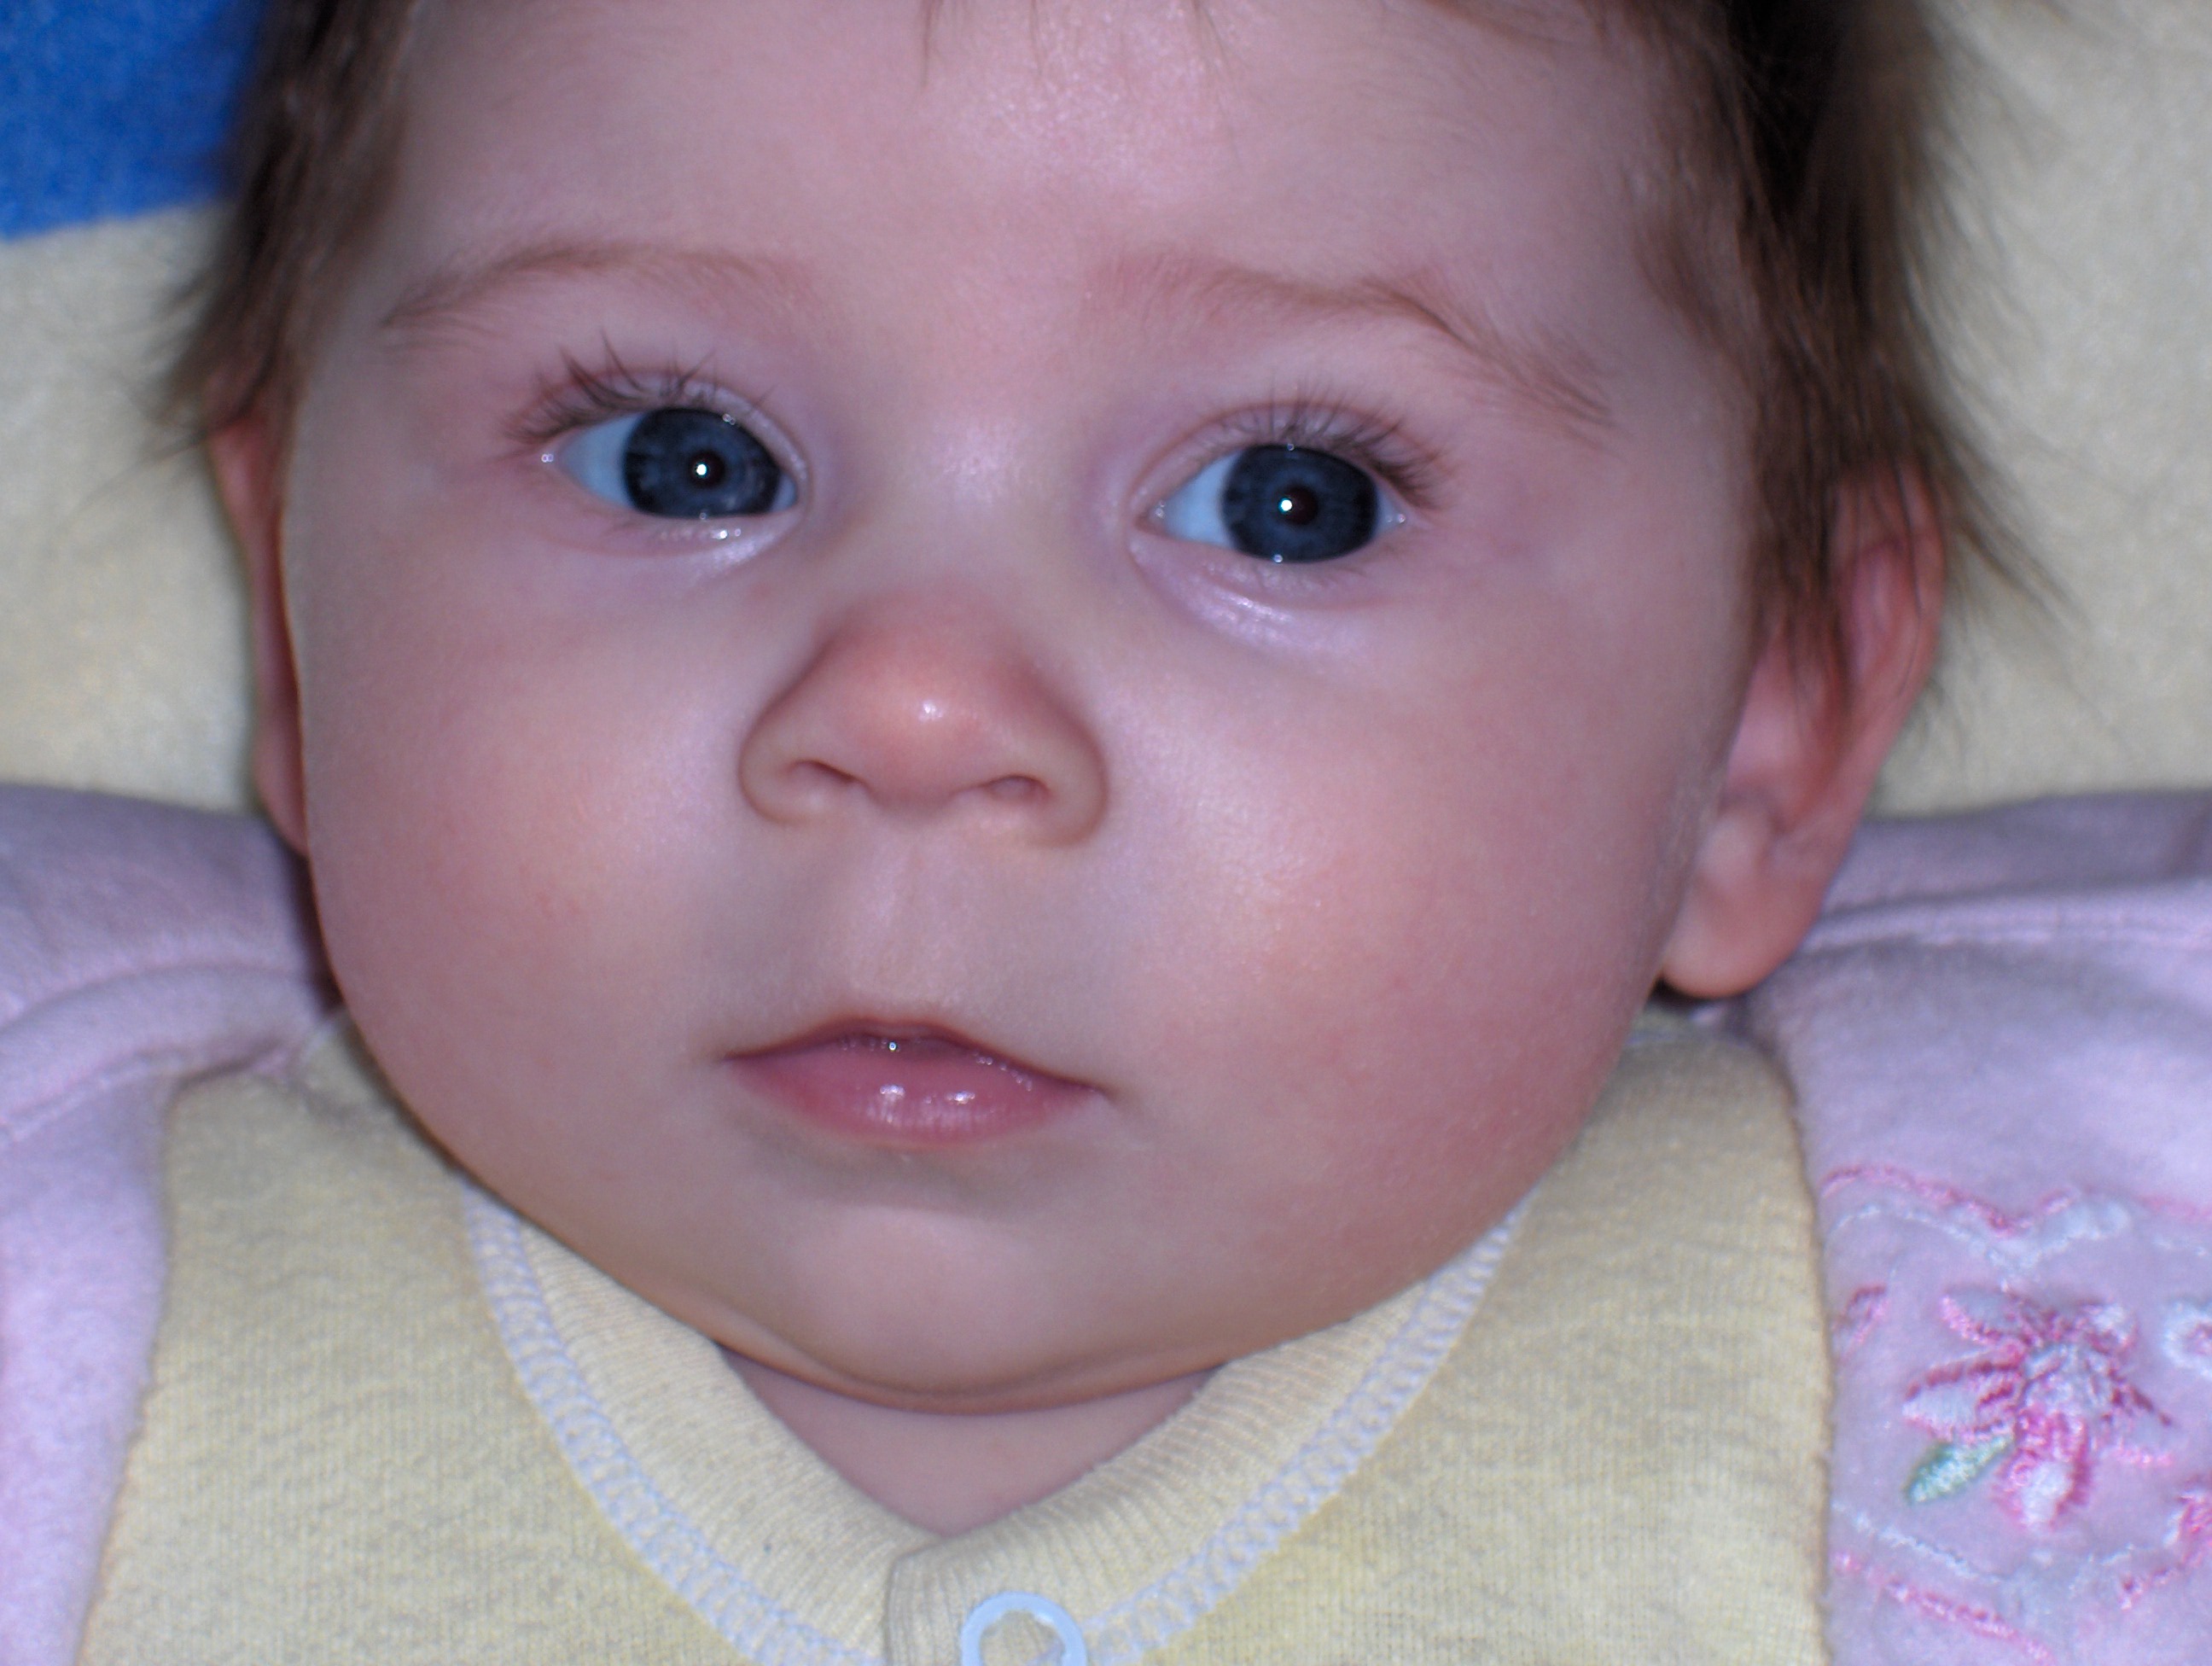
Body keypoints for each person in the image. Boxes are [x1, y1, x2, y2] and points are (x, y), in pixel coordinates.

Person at [70, 0, 1991, 1657]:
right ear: (297, 616)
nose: (914, 712)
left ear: (1775, 713)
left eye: (1290, 500)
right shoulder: (78, 1278)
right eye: (683, 461)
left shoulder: (2016, 1275)